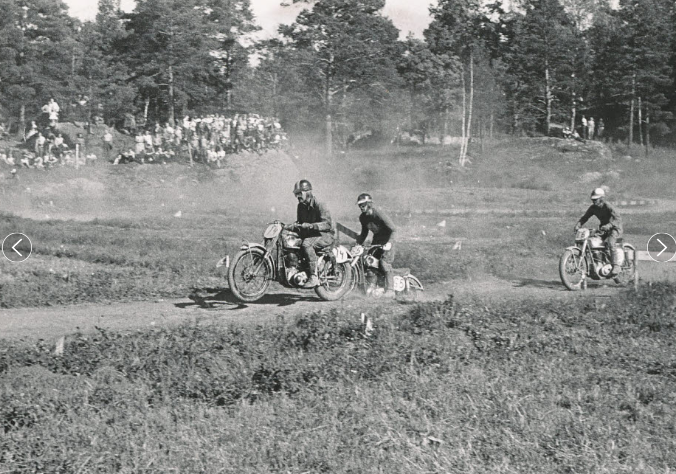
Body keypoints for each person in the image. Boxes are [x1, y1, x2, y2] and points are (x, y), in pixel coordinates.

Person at [291, 179, 334, 288]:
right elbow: (300, 223)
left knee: (307, 244)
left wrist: (312, 225)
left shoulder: (320, 204)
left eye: (300, 193)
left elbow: (327, 224)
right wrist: (291, 226)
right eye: (296, 194)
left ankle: (313, 276)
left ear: (308, 192)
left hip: (324, 235)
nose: (298, 197)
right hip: (311, 235)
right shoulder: (300, 206)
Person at [353, 193, 397, 298]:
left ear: (369, 204)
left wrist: (390, 242)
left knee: (384, 262)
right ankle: (373, 286)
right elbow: (364, 233)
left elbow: (393, 229)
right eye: (360, 205)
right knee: (369, 261)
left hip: (387, 240)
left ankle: (391, 290)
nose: (361, 207)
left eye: (363, 204)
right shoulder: (363, 218)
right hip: (377, 240)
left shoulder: (378, 213)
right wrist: (358, 244)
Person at [574, 188, 623, 277]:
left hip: (614, 228)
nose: (594, 201)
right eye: (593, 199)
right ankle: (598, 262)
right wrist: (578, 225)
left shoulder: (608, 206)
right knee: (593, 241)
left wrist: (608, 226)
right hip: (603, 230)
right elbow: (585, 217)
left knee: (610, 243)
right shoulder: (593, 208)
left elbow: (618, 219)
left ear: (601, 198)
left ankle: (616, 265)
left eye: (595, 199)